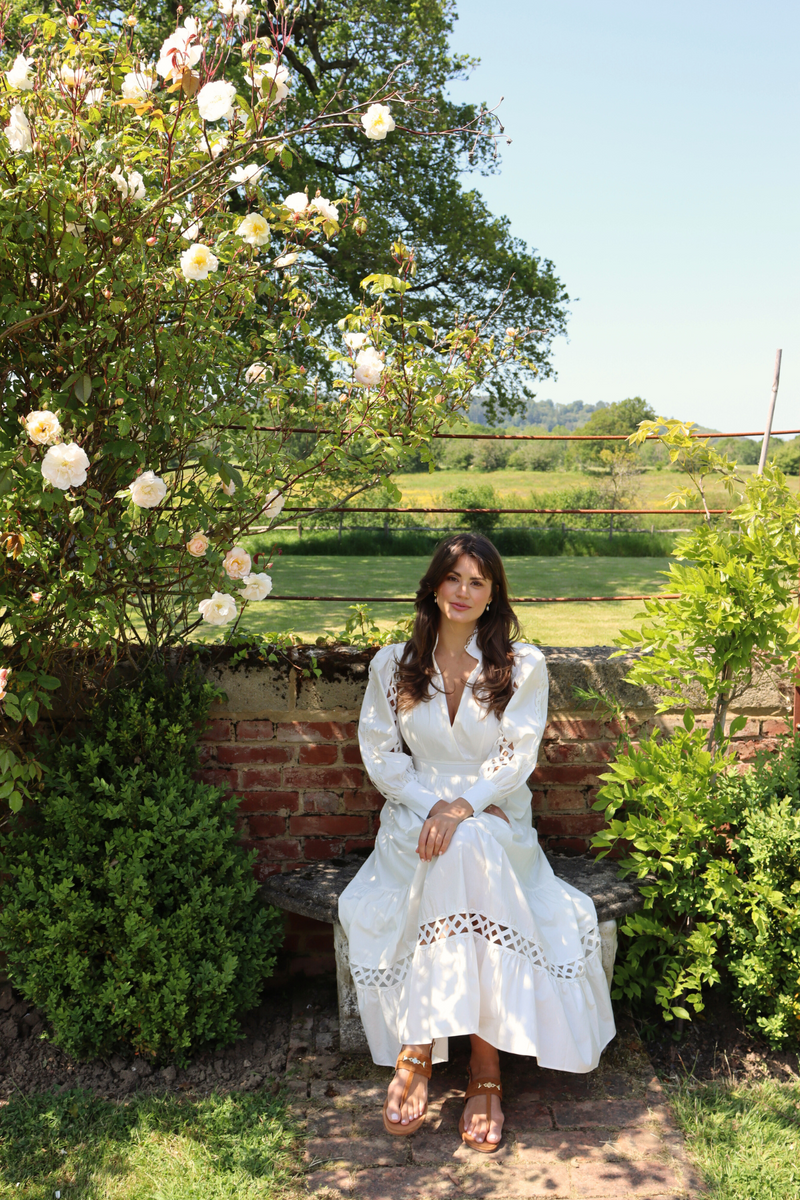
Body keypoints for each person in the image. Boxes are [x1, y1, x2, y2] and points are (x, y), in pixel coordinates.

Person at [338, 533, 615, 1152]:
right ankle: (472, 1064)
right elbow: (380, 753)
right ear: (433, 586)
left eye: (477, 582)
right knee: (450, 848)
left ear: (493, 595)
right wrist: (430, 805)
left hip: (493, 812)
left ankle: (432, 1053)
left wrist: (462, 808)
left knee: (470, 846)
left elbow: (516, 758)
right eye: (453, 578)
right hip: (414, 813)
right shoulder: (394, 663)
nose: (463, 592)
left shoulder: (522, 664)